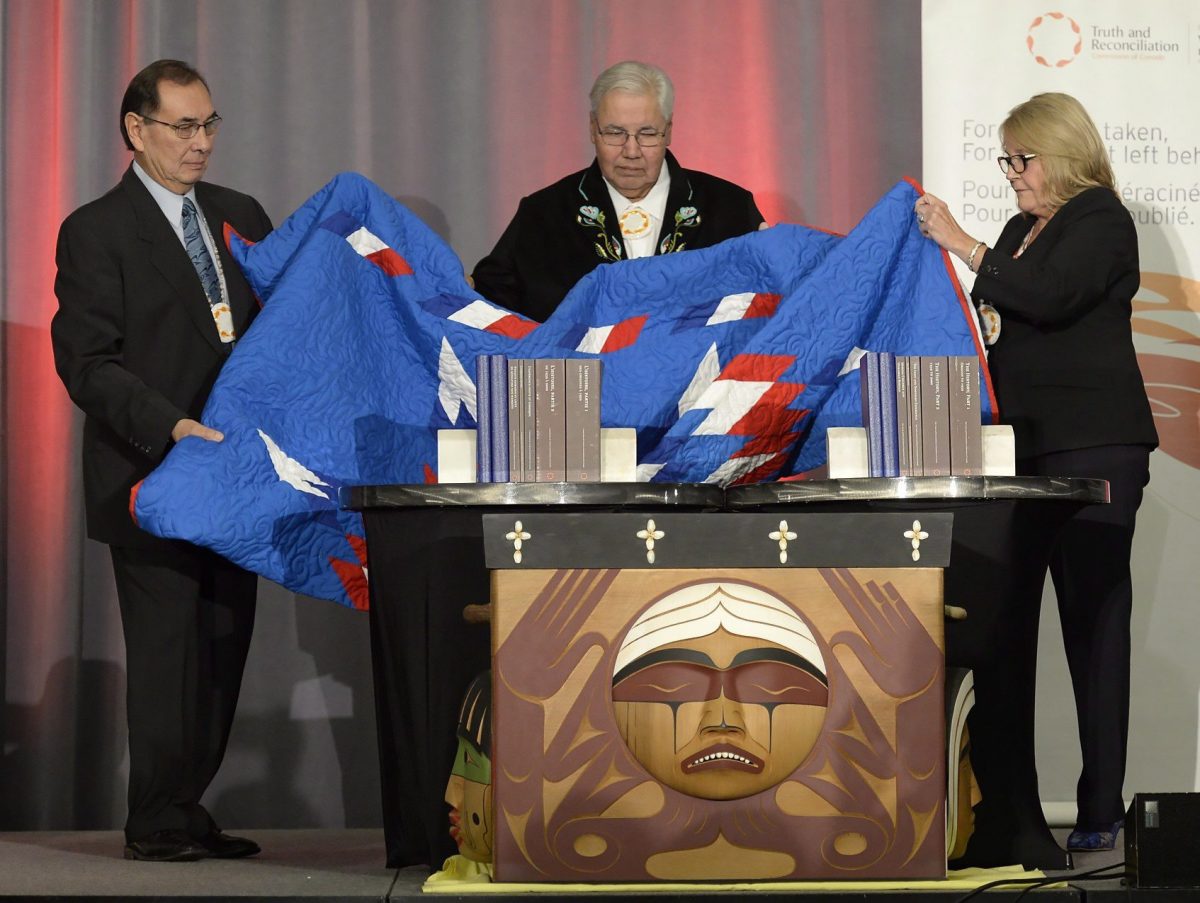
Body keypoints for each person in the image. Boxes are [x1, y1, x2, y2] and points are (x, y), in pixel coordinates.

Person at [915, 92, 1158, 852]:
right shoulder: (1021, 230)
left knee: (1092, 623)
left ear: (1061, 154)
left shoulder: (1101, 219)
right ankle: (1008, 812)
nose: (1013, 174)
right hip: (1018, 454)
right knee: (1005, 626)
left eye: (1022, 159)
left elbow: (1052, 299)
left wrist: (962, 243)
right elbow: (1007, 314)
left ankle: (1100, 807)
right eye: (1007, 161)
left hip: (1094, 449)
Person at [51, 59, 273, 862]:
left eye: (209, 124)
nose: (200, 142)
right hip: (151, 475)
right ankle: (152, 819)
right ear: (136, 130)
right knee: (166, 655)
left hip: (237, 481)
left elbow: (279, 329)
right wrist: (171, 425)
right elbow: (88, 363)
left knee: (221, 649)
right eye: (183, 126)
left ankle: (186, 803)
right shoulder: (96, 229)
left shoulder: (241, 214)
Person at [470, 60, 765, 321]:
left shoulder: (730, 209)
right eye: (614, 133)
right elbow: (488, 308)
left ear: (668, 131)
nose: (631, 151)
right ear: (592, 129)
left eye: (647, 134)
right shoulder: (542, 215)